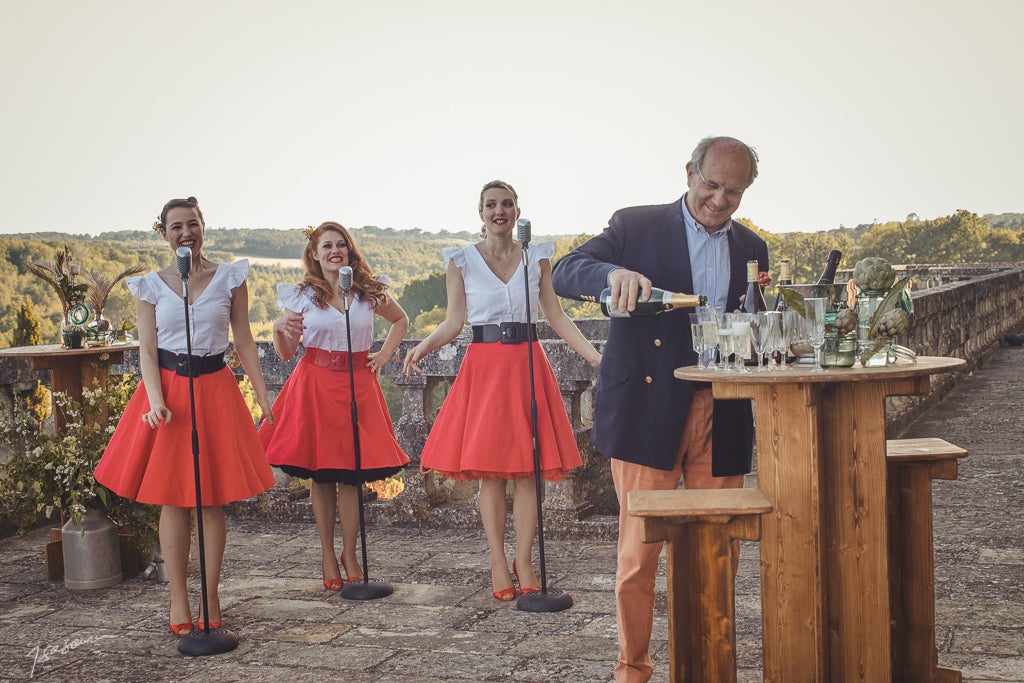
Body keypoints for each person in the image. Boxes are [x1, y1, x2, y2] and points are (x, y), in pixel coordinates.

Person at [550, 136, 768, 683]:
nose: (719, 200)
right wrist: (610, 276)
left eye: (734, 192)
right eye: (712, 184)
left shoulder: (753, 249)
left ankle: (709, 668)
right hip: (649, 407)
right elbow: (565, 271)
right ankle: (633, 668)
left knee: (719, 553)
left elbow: (757, 323)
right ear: (689, 171)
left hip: (724, 410)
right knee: (639, 556)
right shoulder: (637, 225)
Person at [403, 180, 602, 602]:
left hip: (528, 365)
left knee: (529, 474)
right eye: (491, 205)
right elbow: (454, 322)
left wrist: (596, 359)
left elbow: (557, 316)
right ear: (481, 213)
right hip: (485, 368)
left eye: (507, 204)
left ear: (517, 211)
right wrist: (422, 345)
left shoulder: (537, 257)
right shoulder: (461, 261)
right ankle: (498, 560)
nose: (499, 211)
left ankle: (524, 560)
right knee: (491, 474)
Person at [94, 196, 276, 636]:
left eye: (192, 224)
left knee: (212, 499)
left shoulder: (230, 278)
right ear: (164, 232)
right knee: (174, 499)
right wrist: (155, 401)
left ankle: (210, 594)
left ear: (203, 227)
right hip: (169, 397)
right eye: (176, 227)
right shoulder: (151, 287)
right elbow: (149, 352)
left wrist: (263, 394)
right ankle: (178, 595)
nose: (186, 233)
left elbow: (245, 341)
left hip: (215, 390)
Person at [259, 221, 410, 591]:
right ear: (314, 254)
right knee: (323, 475)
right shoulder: (301, 297)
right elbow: (286, 354)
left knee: (352, 477)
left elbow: (401, 321)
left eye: (340, 244)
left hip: (359, 384)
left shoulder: (368, 291)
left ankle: (350, 553)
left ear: (349, 250)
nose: (334, 251)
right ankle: (328, 553)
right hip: (315, 385)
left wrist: (384, 355)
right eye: (326, 246)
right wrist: (280, 329)